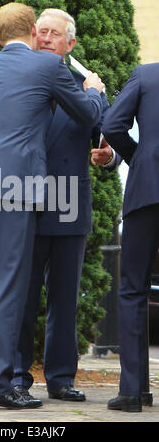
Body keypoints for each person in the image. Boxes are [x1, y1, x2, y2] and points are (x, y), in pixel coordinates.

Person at [0, 2, 104, 410]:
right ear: (31, 31)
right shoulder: (47, 69)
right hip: (16, 189)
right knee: (8, 287)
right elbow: (84, 114)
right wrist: (96, 94)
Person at [10, 8, 119, 402]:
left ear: (70, 44)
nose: (45, 39)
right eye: (41, 32)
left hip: (69, 203)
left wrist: (109, 157)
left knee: (64, 298)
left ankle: (60, 378)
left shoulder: (88, 85)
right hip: (23, 202)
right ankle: (17, 377)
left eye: (55, 34)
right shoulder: (17, 79)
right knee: (21, 298)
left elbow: (109, 135)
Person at [102, 63, 159, 412]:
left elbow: (111, 125)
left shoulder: (146, 75)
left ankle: (133, 392)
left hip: (147, 191)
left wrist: (139, 157)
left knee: (133, 288)